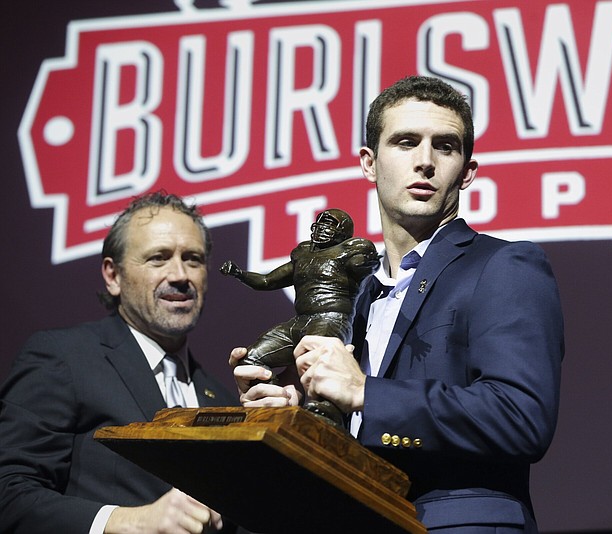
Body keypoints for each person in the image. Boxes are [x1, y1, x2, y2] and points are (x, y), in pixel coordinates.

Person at [232, 75, 565, 532]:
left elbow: (521, 416)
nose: (425, 162)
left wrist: (366, 392)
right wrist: (295, 416)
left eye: (445, 147)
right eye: (406, 142)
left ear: (467, 171)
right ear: (369, 162)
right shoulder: (360, 294)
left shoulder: (505, 266)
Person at [0, 191, 242, 534]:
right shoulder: (63, 357)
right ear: (113, 276)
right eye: (158, 258)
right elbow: (8, 495)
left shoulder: (223, 399)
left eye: (193, 259)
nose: (179, 275)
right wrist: (129, 521)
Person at [219, 208, 379, 426]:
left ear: (343, 231)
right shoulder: (303, 253)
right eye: (320, 222)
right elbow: (268, 281)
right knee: (251, 358)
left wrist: (367, 260)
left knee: (320, 360)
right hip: (300, 322)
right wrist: (239, 274)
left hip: (330, 318)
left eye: (329, 223)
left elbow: (366, 263)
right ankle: (272, 406)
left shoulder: (351, 251)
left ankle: (327, 416)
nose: (322, 227)